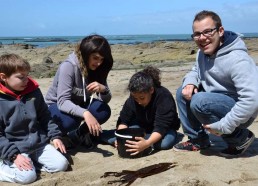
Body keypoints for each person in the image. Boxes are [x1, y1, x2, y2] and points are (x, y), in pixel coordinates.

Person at [173, 10, 258, 157]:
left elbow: (252, 100)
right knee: (183, 91)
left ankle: (240, 138)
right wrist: (191, 82)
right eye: (197, 34)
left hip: (241, 111)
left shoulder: (238, 60)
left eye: (208, 32)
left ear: (220, 31)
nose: (202, 38)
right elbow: (196, 71)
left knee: (199, 101)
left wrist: (224, 126)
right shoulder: (202, 53)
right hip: (215, 100)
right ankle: (197, 139)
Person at [0, 54, 68, 184]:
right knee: (27, 177)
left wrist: (55, 136)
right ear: (3, 77)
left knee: (61, 164)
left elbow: (44, 116)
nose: (26, 80)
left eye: (27, 75)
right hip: (15, 148)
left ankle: (30, 164)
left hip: (38, 144)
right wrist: (14, 155)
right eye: (21, 77)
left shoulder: (33, 91)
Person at [45, 34, 113, 148]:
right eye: (95, 58)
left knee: (104, 111)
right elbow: (62, 102)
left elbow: (105, 100)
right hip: (55, 105)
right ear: (86, 54)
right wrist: (85, 113)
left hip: (79, 103)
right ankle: (58, 134)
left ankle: (79, 134)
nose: (99, 63)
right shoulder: (69, 66)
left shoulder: (98, 69)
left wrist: (104, 90)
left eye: (101, 59)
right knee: (71, 121)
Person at [104, 66, 180, 156]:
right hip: (141, 126)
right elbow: (124, 120)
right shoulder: (133, 98)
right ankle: (102, 135)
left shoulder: (164, 97)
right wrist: (120, 138)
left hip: (165, 129)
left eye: (142, 98)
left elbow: (161, 127)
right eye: (136, 98)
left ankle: (139, 140)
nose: (139, 101)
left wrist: (146, 144)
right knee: (121, 138)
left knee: (165, 143)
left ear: (151, 90)